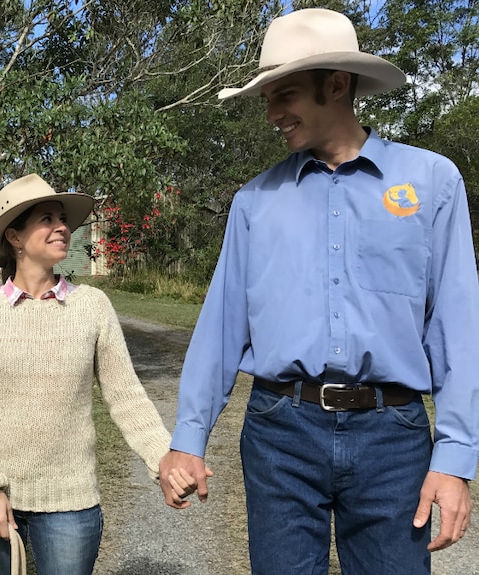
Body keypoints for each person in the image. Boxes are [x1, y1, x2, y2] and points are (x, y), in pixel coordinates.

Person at [159, 8, 478, 575]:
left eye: (284, 95)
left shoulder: (432, 183)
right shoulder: (254, 202)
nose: (272, 114)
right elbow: (222, 326)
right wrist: (188, 438)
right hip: (280, 433)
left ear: (336, 84)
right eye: (266, 99)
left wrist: (454, 459)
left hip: (394, 438)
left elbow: (456, 325)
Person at [0, 174, 172, 575]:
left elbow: (126, 396)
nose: (62, 227)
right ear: (14, 237)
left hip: (70, 507)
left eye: (63, 218)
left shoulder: (93, 307)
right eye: (47, 218)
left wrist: (164, 457)